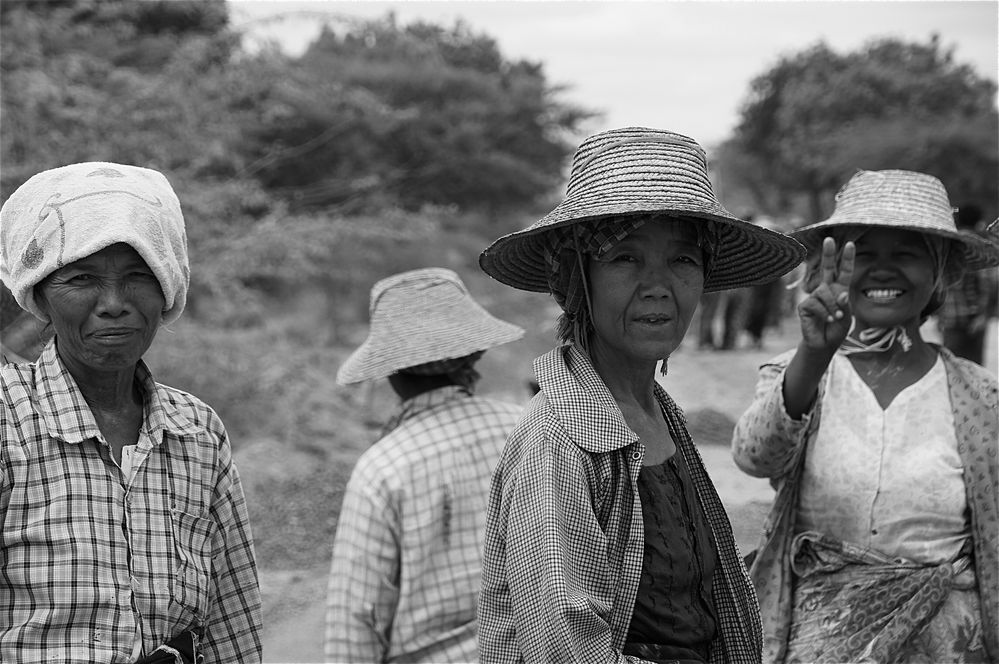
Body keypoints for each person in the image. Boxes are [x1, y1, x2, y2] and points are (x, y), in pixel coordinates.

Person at [477, 127, 805, 663]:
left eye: (682, 260)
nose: (659, 285)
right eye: (625, 258)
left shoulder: (653, 410)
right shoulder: (559, 442)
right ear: (574, 278)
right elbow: (564, 651)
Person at [732, 170, 999, 663]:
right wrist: (813, 356)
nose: (883, 270)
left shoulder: (980, 394)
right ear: (831, 265)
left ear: (939, 271)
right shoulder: (800, 374)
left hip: (950, 646)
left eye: (906, 254)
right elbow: (755, 457)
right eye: (864, 253)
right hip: (820, 639)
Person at [0, 162, 263, 663]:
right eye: (82, 279)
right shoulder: (7, 419)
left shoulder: (198, 432)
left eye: (139, 277)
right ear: (40, 294)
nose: (115, 303)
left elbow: (234, 627)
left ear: (167, 287)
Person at [324, 267, 526, 663]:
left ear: (391, 371)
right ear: (473, 355)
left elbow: (356, 622)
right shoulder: (528, 427)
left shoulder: (382, 468)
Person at [938, 203, 998, 365]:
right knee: (973, 372)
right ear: (979, 222)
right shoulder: (977, 248)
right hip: (972, 321)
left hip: (949, 320)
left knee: (951, 368)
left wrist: (939, 317)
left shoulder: (947, 245)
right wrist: (983, 316)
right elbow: (987, 284)